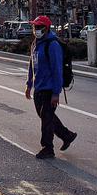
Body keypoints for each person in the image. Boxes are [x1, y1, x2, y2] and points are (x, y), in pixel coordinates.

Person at [25, 15, 77, 159]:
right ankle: (67, 135)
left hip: (49, 89)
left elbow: (57, 70)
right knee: (45, 116)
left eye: (39, 27)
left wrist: (56, 93)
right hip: (39, 88)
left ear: (46, 28)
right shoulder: (36, 43)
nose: (36, 29)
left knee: (46, 118)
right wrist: (29, 84)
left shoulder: (52, 45)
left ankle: (47, 148)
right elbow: (32, 64)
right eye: (35, 27)